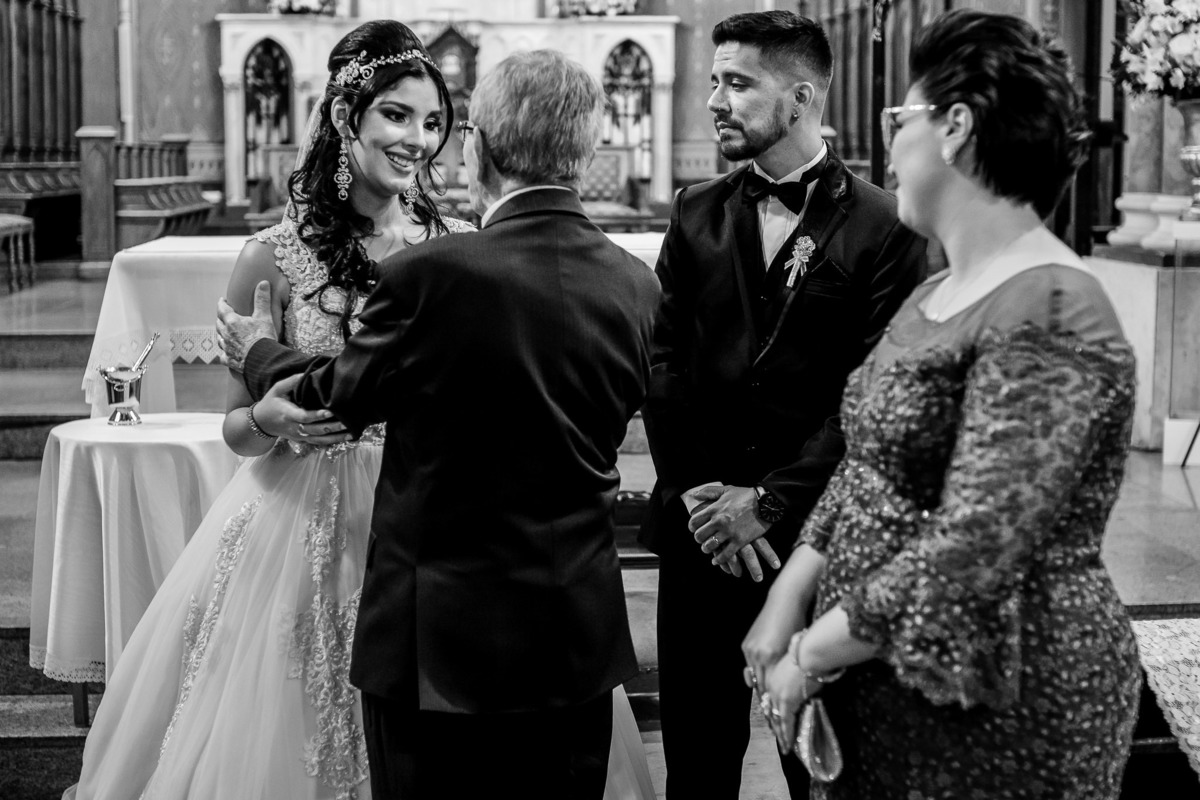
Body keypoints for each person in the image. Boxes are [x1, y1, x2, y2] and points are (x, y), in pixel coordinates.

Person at [215, 49, 661, 800]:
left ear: (478, 146)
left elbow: (340, 395)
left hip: (438, 635)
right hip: (573, 625)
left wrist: (259, 354)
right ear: (590, 151)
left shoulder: (434, 269)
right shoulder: (637, 283)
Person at [62, 21, 475, 800]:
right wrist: (269, 421)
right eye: (396, 115)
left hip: (425, 513)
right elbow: (234, 428)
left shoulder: (457, 243)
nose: (418, 140)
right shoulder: (271, 255)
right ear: (345, 115)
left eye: (432, 122)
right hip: (300, 516)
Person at [746, 9, 1141, 799]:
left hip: (1000, 704)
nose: (890, 143)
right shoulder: (936, 290)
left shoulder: (1053, 307)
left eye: (900, 118)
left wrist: (811, 654)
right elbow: (867, 463)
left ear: (955, 127)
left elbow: (975, 546)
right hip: (884, 685)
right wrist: (791, 588)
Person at [637, 10, 925, 798]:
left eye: (737, 83)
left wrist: (767, 504)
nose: (715, 101)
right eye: (715, 82)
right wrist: (703, 501)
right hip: (702, 540)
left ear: (800, 99)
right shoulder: (695, 211)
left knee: (822, 771)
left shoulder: (885, 227)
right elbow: (663, 364)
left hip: (814, 540)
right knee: (696, 766)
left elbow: (873, 395)